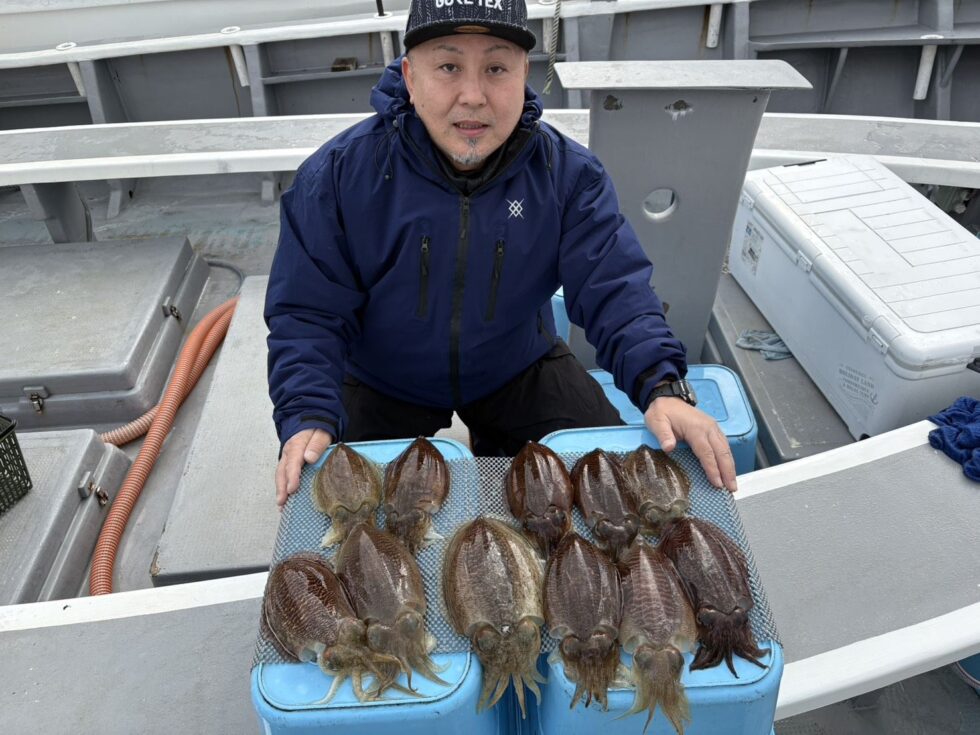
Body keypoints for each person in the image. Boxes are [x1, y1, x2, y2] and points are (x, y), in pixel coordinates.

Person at [265, 0, 737, 507]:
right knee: (337, 504)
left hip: (515, 365)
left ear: (523, 75)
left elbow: (615, 288)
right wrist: (308, 412)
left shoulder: (568, 176)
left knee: (616, 494)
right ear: (409, 74)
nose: (473, 96)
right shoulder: (338, 175)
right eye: (448, 67)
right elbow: (308, 312)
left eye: (495, 68)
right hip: (382, 378)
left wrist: (663, 386)